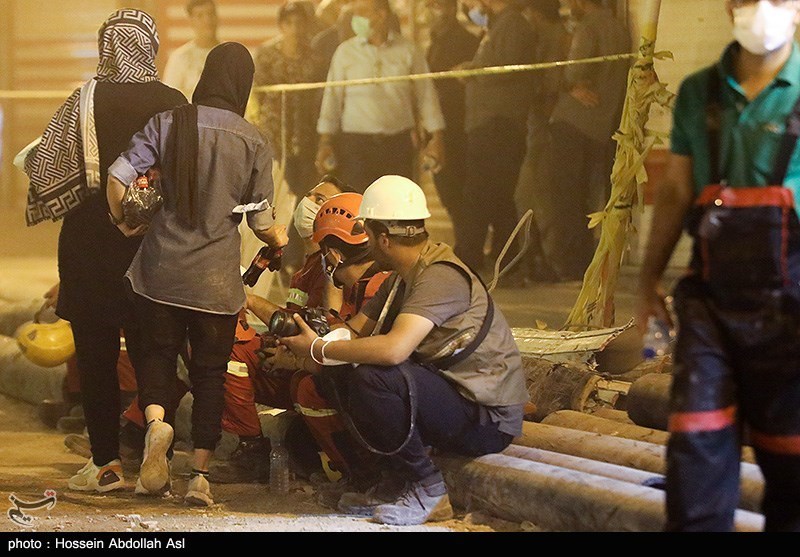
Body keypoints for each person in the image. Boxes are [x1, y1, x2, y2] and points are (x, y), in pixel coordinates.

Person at [280, 175, 529, 526]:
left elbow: (394, 351)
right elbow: (353, 333)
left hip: (487, 418)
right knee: (337, 370)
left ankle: (429, 489)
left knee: (373, 377)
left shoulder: (440, 276)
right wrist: (315, 339)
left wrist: (320, 349)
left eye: (367, 234)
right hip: (451, 397)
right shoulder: (401, 276)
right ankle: (384, 481)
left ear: (383, 238)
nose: (364, 245)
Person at [637, 0, 800, 532]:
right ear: (731, 7)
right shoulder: (699, 93)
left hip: (793, 304)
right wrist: (647, 279)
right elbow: (677, 189)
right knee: (697, 450)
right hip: (711, 300)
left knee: (792, 458)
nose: (762, 11)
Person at [107, 42, 287, 506]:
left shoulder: (168, 122)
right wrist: (277, 240)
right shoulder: (252, 139)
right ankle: (200, 475)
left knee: (158, 358)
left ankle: (156, 425)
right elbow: (259, 219)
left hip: (160, 272)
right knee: (210, 375)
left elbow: (118, 176)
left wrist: (123, 222)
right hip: (214, 282)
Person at [21, 8, 187, 494]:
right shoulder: (174, 101)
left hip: (90, 246)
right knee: (153, 352)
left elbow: (46, 168)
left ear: (106, 47)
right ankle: (161, 447)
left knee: (95, 356)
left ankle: (106, 464)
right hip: (153, 247)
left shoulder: (84, 99)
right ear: (149, 48)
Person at [290, 191, 393, 495]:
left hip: (397, 393)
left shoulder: (376, 288)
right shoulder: (379, 281)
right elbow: (347, 330)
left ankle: (367, 479)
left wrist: (309, 354)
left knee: (315, 386)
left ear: (333, 255)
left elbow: (360, 353)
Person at [539, 0, 630, 281]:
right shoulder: (620, 28)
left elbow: (574, 71)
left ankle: (570, 263)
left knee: (564, 195)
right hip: (601, 124)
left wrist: (567, 83)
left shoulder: (589, 27)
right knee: (586, 196)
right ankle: (585, 261)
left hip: (574, 122)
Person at [315, 0, 446, 192]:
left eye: (362, 12)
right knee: (357, 209)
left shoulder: (409, 51)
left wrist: (436, 137)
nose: (355, 18)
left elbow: (426, 95)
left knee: (396, 210)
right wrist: (325, 142)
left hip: (397, 146)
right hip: (355, 148)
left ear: (381, 14)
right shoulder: (345, 53)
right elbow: (332, 100)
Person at [455, 0, 537, 278]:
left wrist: (473, 73)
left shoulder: (513, 23)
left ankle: (468, 257)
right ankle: (510, 260)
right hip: (488, 122)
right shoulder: (498, 25)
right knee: (497, 195)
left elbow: (504, 68)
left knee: (481, 193)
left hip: (498, 124)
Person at [253, 1, 326, 276]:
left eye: (300, 22)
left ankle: (294, 256)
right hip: (274, 140)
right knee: (275, 196)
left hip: (306, 139)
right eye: (290, 22)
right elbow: (258, 95)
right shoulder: (267, 55)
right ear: (281, 25)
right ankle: (271, 252)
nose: (295, 28)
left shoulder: (315, 58)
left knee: (304, 197)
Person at [514, 0, 569, 283]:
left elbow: (551, 83)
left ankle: (548, 261)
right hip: (541, 127)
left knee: (535, 196)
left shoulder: (550, 36)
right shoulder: (556, 34)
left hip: (544, 129)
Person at [424, 0, 481, 252]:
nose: (431, 11)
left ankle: (469, 246)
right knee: (448, 187)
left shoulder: (466, 41)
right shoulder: (435, 41)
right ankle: (467, 243)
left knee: (456, 187)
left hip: (457, 124)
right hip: (440, 123)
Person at [162, 0, 220, 101]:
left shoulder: (232, 55)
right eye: (200, 16)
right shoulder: (179, 58)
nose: (207, 20)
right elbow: (168, 100)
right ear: (191, 21)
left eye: (211, 14)